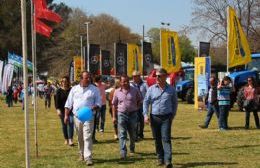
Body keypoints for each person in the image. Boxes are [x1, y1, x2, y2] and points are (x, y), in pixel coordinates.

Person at [64, 71, 101, 166]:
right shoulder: (74, 89)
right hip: (77, 117)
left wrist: (93, 108)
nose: (89, 79)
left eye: (89, 77)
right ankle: (81, 153)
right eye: (86, 78)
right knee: (80, 137)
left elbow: (98, 103)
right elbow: (68, 104)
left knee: (87, 136)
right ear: (81, 79)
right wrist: (66, 115)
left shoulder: (94, 89)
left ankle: (88, 157)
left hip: (89, 116)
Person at [143, 68, 177, 168]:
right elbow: (146, 102)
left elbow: (175, 103)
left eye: (159, 75)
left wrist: (173, 114)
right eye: (156, 76)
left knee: (166, 138)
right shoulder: (151, 89)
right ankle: (160, 158)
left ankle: (168, 161)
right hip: (154, 117)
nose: (156, 77)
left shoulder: (171, 89)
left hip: (166, 117)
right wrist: (145, 115)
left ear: (165, 76)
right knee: (157, 139)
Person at [112, 75, 141, 159]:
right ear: (120, 82)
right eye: (123, 81)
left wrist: (136, 108)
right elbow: (113, 105)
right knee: (122, 134)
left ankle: (132, 147)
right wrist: (114, 117)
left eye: (127, 81)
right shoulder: (117, 91)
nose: (125, 83)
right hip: (121, 114)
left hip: (132, 114)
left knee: (132, 134)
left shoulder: (135, 90)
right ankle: (123, 152)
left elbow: (140, 100)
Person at [55, 76, 74, 146]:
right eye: (63, 81)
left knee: (71, 123)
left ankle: (70, 139)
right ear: (61, 82)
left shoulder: (71, 90)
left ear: (68, 82)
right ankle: (66, 139)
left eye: (65, 81)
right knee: (64, 124)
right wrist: (58, 110)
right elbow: (57, 102)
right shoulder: (59, 91)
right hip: (62, 110)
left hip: (71, 110)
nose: (64, 83)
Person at [131, 70, 147, 140]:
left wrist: (144, 100)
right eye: (133, 76)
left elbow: (148, 93)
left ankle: (141, 133)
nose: (134, 78)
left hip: (142, 105)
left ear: (139, 76)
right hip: (134, 105)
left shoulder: (144, 84)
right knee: (135, 120)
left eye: (135, 76)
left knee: (141, 120)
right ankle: (136, 134)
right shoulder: (131, 85)